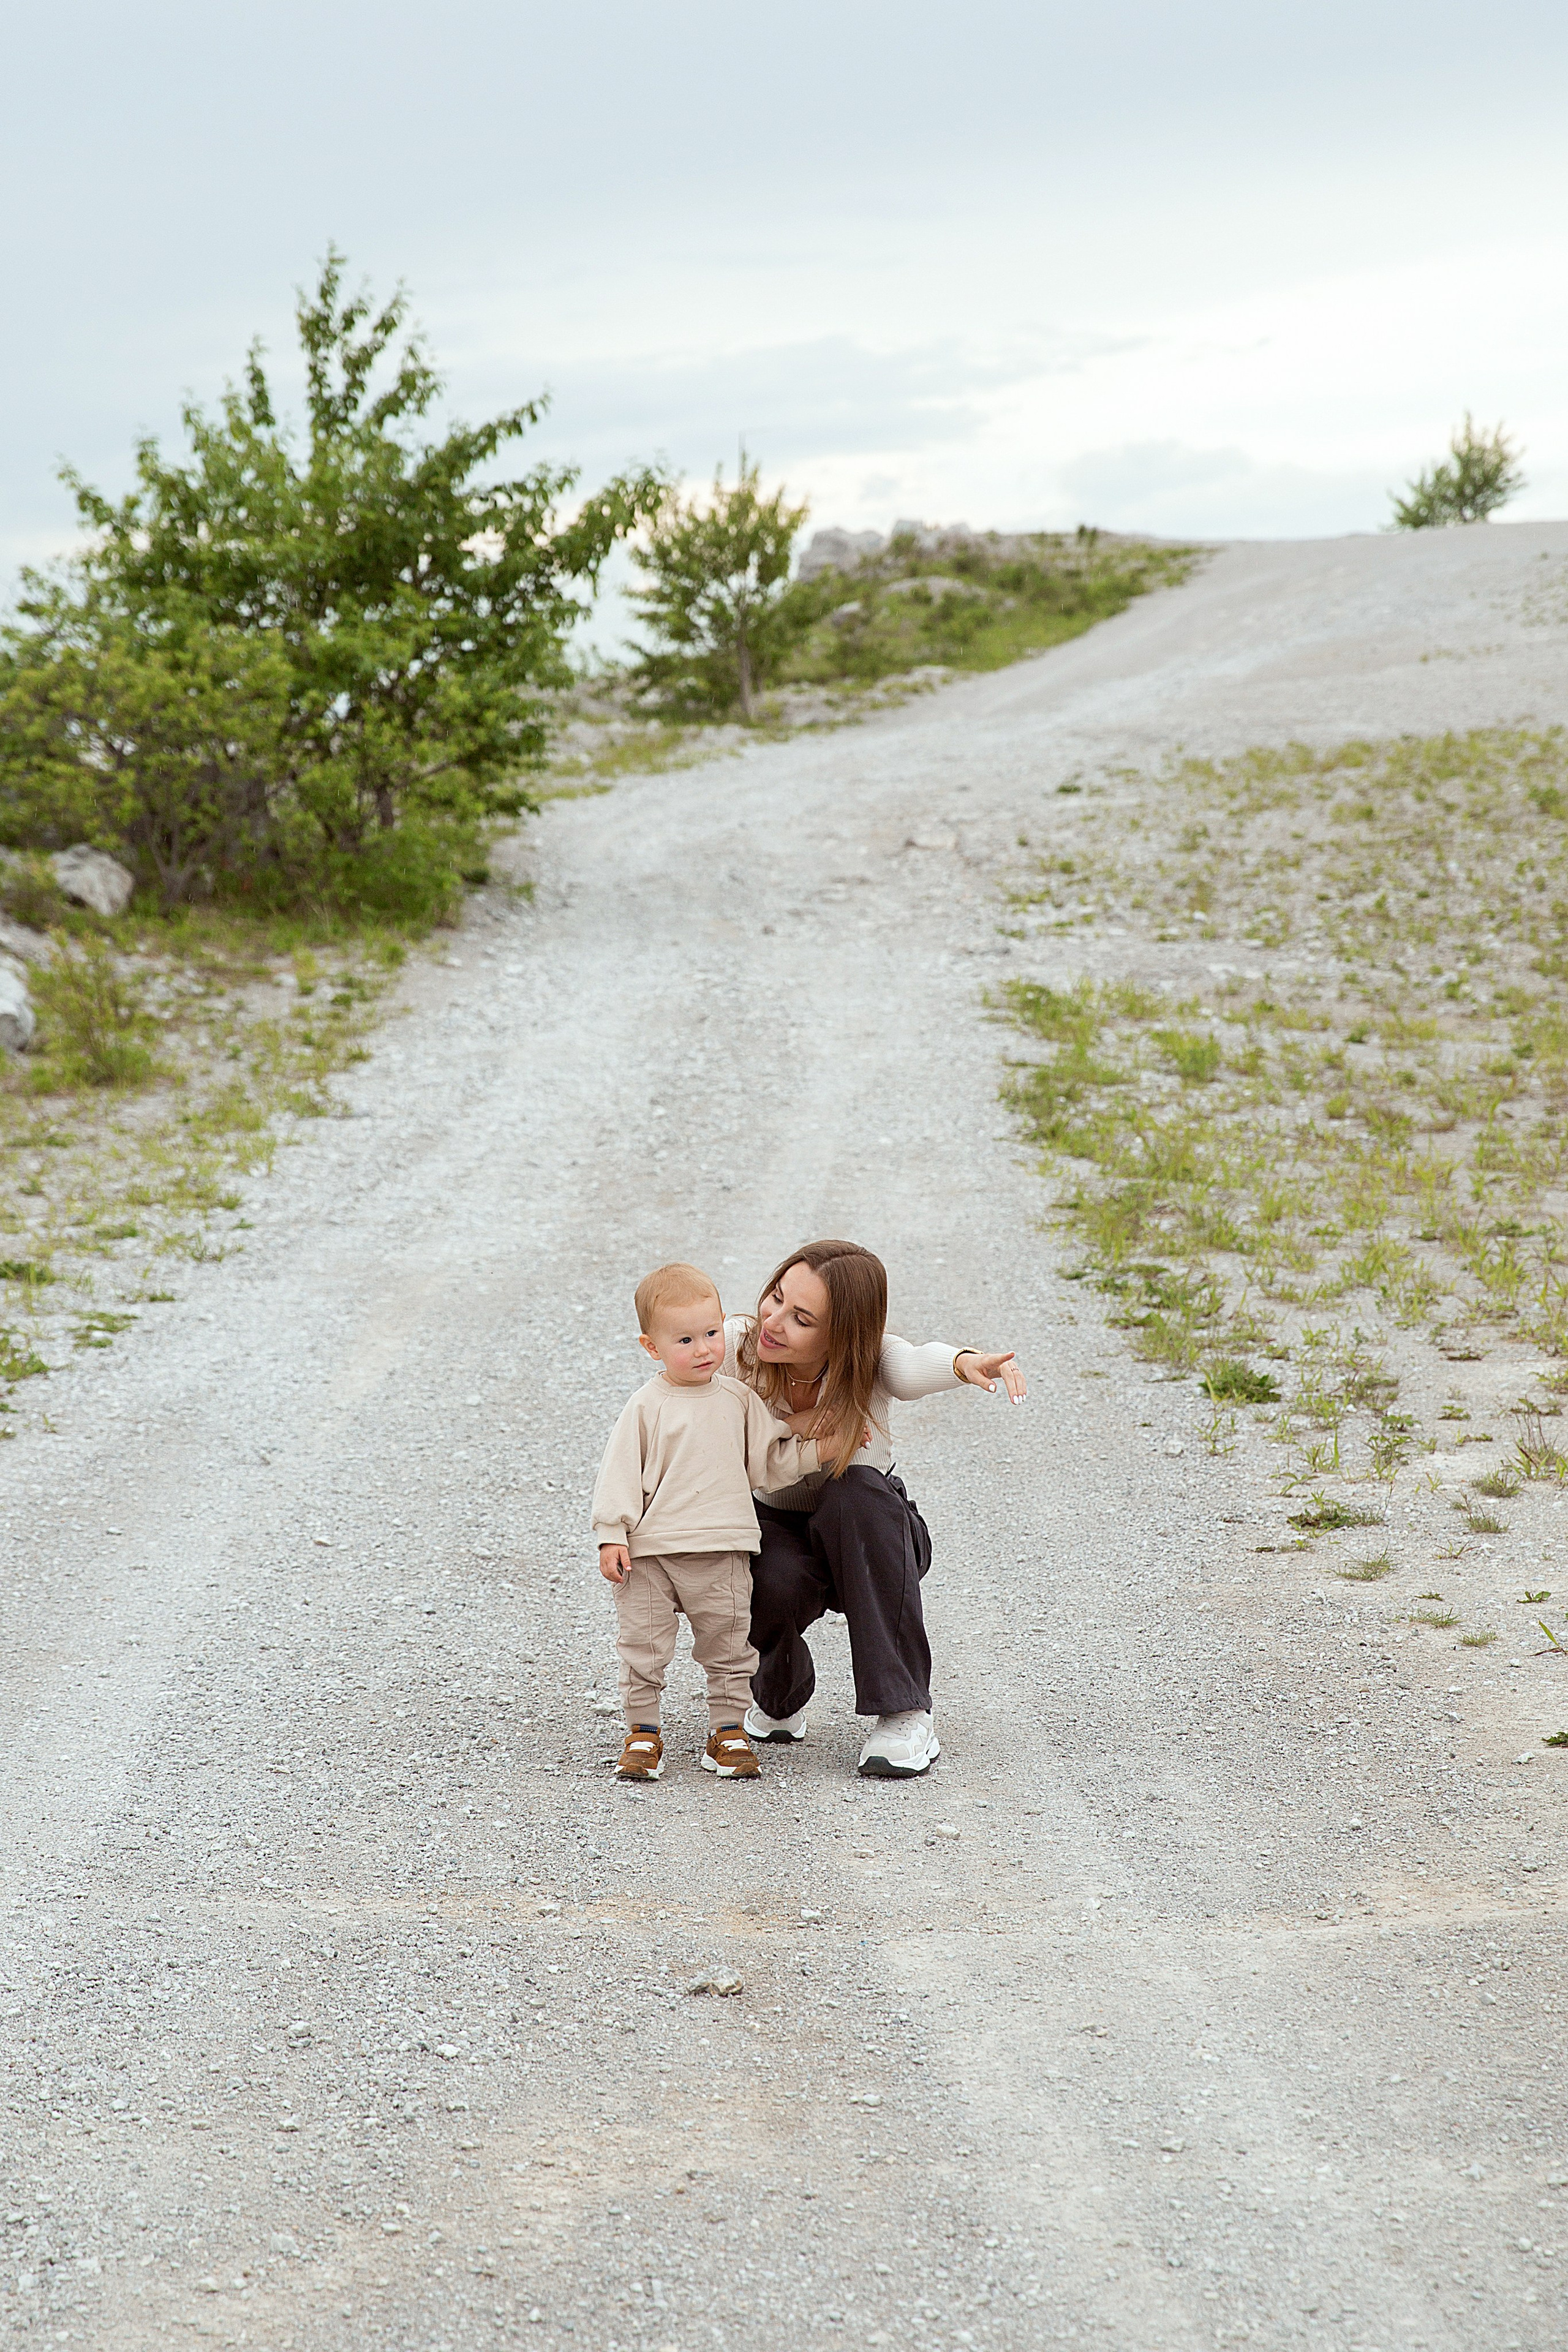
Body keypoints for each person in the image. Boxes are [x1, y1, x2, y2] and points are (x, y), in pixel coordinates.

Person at [724, 1239, 1026, 1779]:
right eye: (775, 1297)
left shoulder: (870, 1361)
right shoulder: (738, 1348)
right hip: (777, 1524)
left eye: (802, 1319)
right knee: (765, 1565)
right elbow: (676, 1403)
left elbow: (914, 1365)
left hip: (870, 1534)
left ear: (841, 1335)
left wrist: (965, 1363)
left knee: (855, 1491)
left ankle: (905, 1714)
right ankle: (778, 1696)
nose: (773, 1320)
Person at [590, 1261, 826, 1783]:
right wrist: (612, 1534)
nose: (703, 1349)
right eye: (685, 1340)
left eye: (712, 1333)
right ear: (651, 1348)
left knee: (728, 1646)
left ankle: (728, 1731)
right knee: (643, 1648)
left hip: (722, 1548)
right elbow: (620, 1473)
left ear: (725, 1325)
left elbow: (771, 1462)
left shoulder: (739, 1400)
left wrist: (820, 1450)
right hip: (650, 1554)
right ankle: (643, 1734)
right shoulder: (646, 1406)